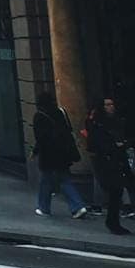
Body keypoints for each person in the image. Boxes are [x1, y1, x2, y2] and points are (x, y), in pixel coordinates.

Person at [32, 88, 90, 220]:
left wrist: (35, 151)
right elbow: (67, 131)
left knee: (46, 180)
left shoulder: (39, 116)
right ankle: (78, 206)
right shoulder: (60, 112)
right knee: (64, 179)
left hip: (49, 154)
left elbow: (41, 138)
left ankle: (44, 207)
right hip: (63, 152)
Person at [86, 96, 134, 235]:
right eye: (107, 104)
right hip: (106, 161)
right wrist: (114, 146)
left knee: (117, 191)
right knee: (115, 190)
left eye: (112, 104)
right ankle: (113, 221)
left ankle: (113, 221)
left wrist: (122, 145)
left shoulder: (117, 121)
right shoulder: (97, 124)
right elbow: (95, 144)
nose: (110, 107)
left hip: (118, 159)